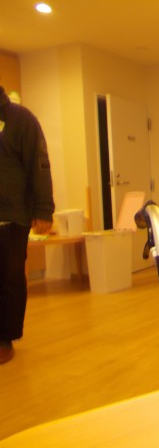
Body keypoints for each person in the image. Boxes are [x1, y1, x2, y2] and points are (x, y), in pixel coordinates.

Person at [0, 86, 55, 364]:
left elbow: (39, 164)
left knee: (8, 278)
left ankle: (4, 338)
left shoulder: (20, 119)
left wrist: (43, 209)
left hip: (11, 217)